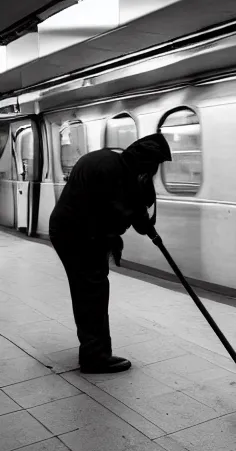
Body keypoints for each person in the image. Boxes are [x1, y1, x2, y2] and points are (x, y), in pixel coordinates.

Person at [49, 132, 172, 374]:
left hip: (75, 232)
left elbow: (131, 210)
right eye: (153, 167)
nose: (153, 173)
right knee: (92, 291)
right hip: (79, 236)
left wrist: (146, 229)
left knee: (90, 289)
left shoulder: (114, 162)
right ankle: (95, 358)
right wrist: (121, 234)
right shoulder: (113, 172)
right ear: (144, 162)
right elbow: (120, 210)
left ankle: (94, 350)